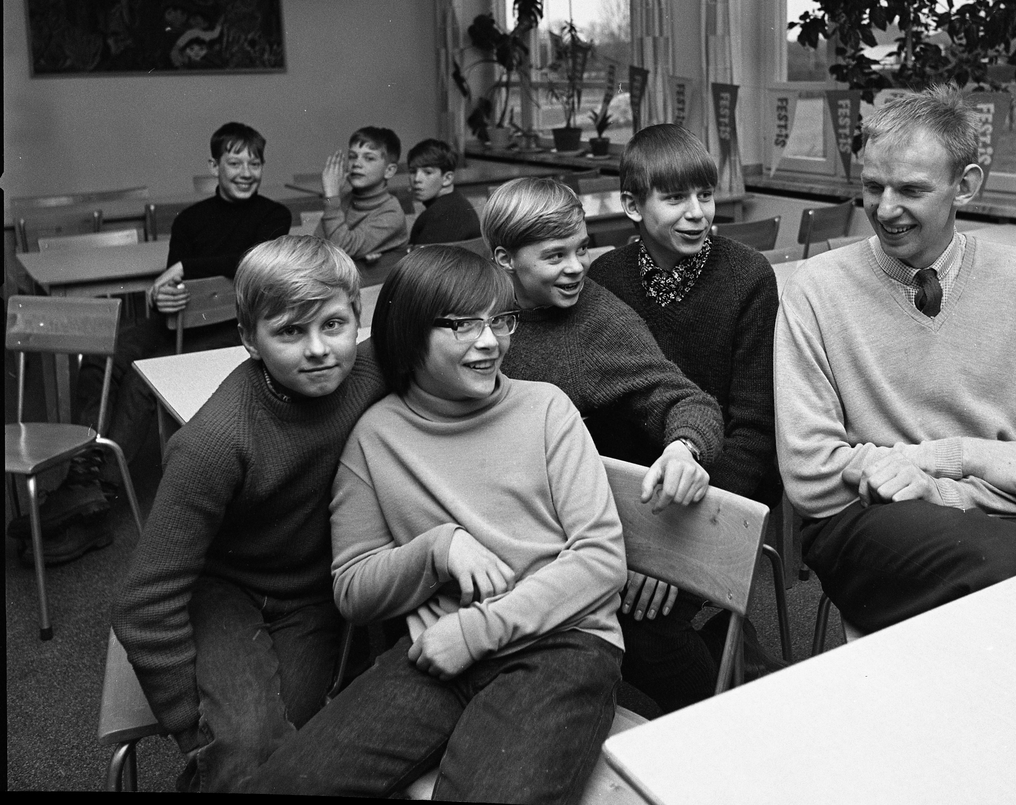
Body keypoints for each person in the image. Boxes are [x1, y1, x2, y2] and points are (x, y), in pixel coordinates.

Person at [246, 247, 627, 802]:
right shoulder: (375, 436)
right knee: (282, 785)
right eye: (464, 325)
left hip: (561, 643)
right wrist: (436, 551)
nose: (490, 341)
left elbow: (600, 558)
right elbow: (353, 588)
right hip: (435, 651)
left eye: (500, 320)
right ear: (409, 334)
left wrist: (476, 631)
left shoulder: (547, 409)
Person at [775, 85, 1016, 634]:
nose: (885, 209)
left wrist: (938, 485)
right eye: (872, 186)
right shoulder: (815, 289)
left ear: (964, 186)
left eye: (911, 189)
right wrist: (978, 458)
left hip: (1002, 523)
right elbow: (811, 477)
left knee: (1006, 578)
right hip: (866, 520)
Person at [110, 236, 387, 793]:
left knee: (294, 748)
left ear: (358, 319)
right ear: (248, 340)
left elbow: (452, 323)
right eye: (289, 331)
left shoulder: (372, 371)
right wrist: (197, 731)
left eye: (334, 324)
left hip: (313, 597)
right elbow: (143, 603)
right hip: (225, 592)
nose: (318, 349)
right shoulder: (216, 441)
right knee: (244, 749)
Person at [483, 177, 726, 714]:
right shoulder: (468, 309)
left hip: (580, 536)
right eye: (555, 256)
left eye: (582, 248)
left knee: (649, 650)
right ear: (503, 259)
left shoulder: (597, 321)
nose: (577, 267)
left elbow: (689, 403)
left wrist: (684, 448)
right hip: (498, 528)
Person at [14, 122, 292, 565]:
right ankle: (83, 476)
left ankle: (94, 494)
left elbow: (253, 260)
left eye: (254, 163)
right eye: (234, 162)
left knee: (142, 382)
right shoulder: (189, 219)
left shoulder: (274, 216)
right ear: (213, 166)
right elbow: (170, 286)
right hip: (177, 322)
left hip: (228, 328)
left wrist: (186, 268)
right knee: (103, 357)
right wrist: (167, 292)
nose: (245, 172)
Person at [589, 124, 779, 506]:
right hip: (630, 489)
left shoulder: (748, 276)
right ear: (632, 206)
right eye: (676, 198)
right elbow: (604, 415)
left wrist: (698, 504)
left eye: (705, 195)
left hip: (721, 489)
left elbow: (755, 428)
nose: (697, 213)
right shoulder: (605, 277)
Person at [315, 125, 408, 284]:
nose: (356, 164)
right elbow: (316, 245)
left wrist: (331, 196)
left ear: (389, 171)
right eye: (352, 156)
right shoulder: (344, 199)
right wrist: (356, 255)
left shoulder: (391, 212)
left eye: (369, 158)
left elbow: (340, 249)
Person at [406, 138, 481, 245]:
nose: (417, 179)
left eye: (428, 172)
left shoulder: (444, 215)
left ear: (447, 178)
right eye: (413, 171)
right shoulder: (455, 203)